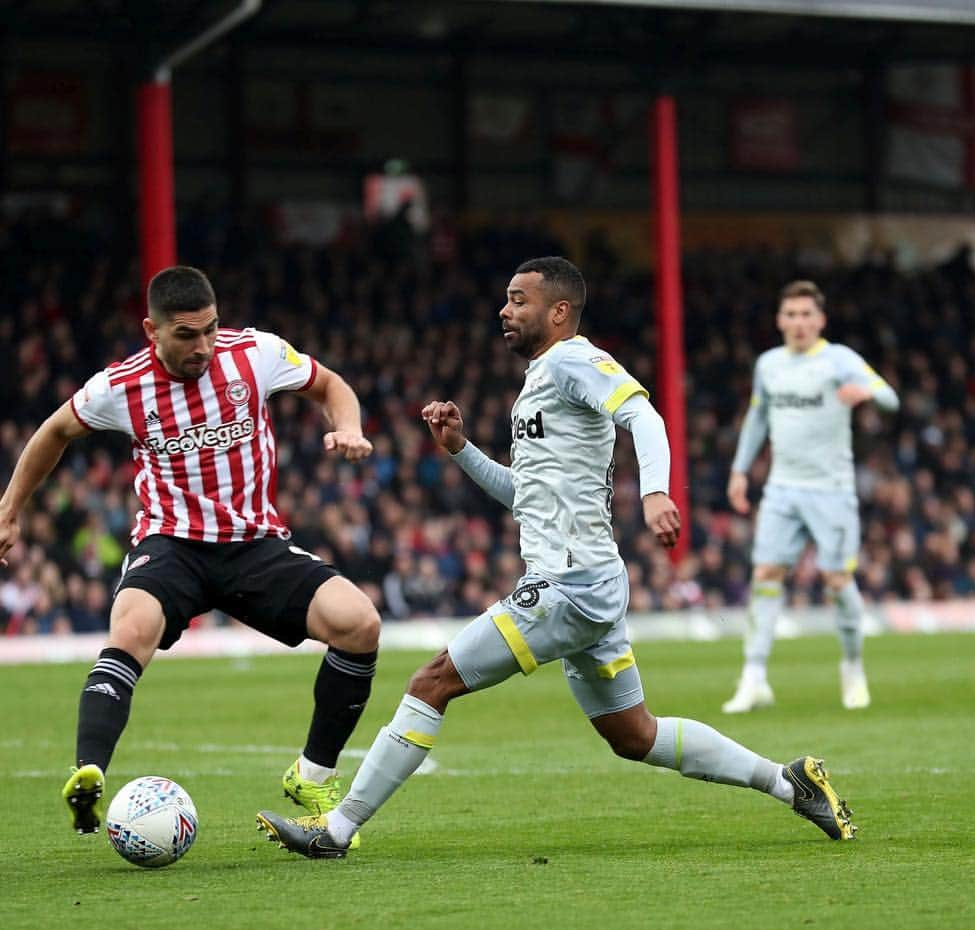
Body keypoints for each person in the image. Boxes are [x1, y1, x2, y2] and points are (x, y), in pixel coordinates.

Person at [255, 256, 855, 858]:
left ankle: (336, 829)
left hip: (570, 583)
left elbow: (643, 416)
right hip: (586, 583)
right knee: (634, 735)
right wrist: (461, 450)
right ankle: (790, 781)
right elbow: (525, 494)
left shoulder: (575, 360)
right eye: (507, 299)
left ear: (559, 311)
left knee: (432, 681)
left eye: (519, 300)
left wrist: (655, 493)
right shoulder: (542, 378)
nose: (504, 310)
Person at [0, 266, 381, 842]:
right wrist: (9, 509)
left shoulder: (255, 352)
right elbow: (53, 432)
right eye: (185, 335)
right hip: (171, 543)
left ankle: (312, 776)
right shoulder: (120, 387)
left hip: (253, 545)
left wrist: (348, 426)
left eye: (209, 330)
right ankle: (90, 773)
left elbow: (330, 385)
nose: (202, 346)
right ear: (151, 329)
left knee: (360, 625)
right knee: (130, 629)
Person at [723, 279, 899, 714]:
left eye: (807, 315)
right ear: (780, 320)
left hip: (831, 491)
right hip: (783, 488)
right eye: (792, 314)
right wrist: (740, 470)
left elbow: (891, 399)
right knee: (765, 574)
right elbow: (757, 418)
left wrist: (868, 392)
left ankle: (853, 667)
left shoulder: (840, 360)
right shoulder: (769, 365)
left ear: (820, 320)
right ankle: (754, 677)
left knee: (837, 580)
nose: (799, 322)